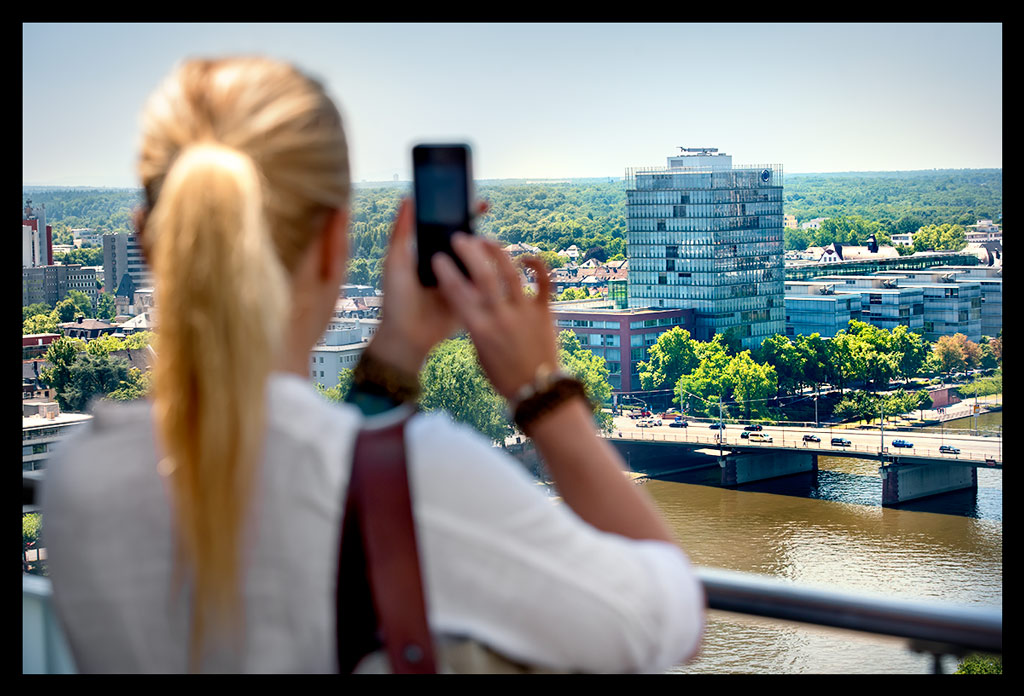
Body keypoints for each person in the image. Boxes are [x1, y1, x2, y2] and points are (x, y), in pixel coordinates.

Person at [42, 55, 704, 674]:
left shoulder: (78, 478)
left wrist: (397, 353)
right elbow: (669, 618)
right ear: (336, 242)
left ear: (148, 244)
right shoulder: (424, 480)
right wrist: (544, 393)